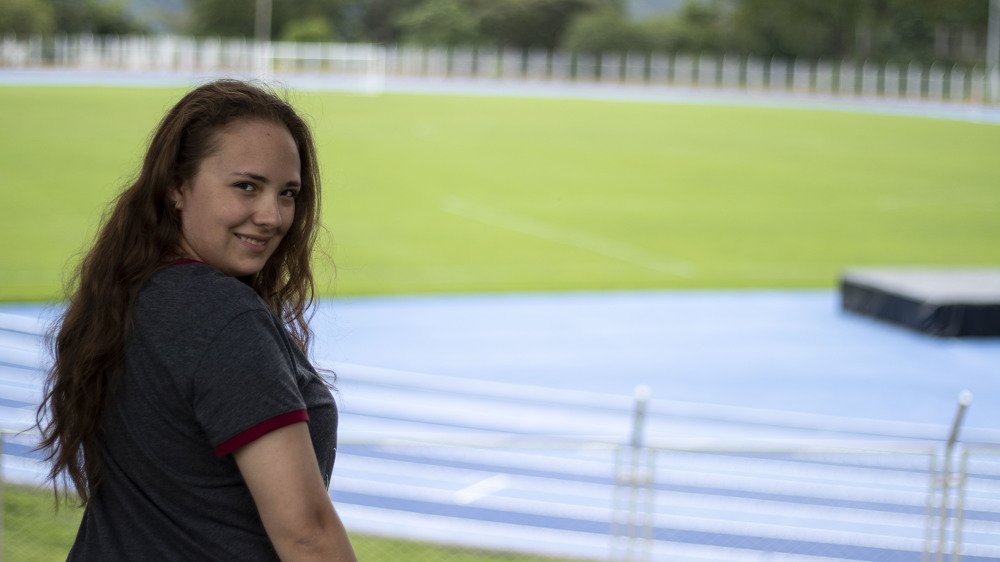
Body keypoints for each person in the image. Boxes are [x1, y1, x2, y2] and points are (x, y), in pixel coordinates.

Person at [36, 79, 358, 561]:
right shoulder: (224, 317)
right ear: (177, 188)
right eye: (246, 186)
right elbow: (307, 536)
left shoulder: (133, 290)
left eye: (288, 193)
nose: (271, 216)